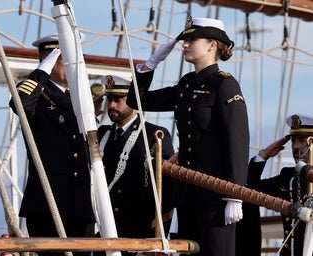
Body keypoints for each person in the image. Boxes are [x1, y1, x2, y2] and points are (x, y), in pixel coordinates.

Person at [126, 16, 250, 256]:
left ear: (212, 45)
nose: (184, 44)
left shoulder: (225, 86)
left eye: (192, 39)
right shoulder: (185, 84)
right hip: (187, 194)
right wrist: (150, 65)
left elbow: (237, 141)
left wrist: (235, 196)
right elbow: (137, 101)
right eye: (185, 40)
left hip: (217, 197)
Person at [9, 34, 95, 256]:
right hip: (49, 204)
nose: (76, 66)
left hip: (82, 205)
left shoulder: (79, 97)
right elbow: (19, 103)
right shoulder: (39, 94)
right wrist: (41, 72)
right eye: (66, 60)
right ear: (51, 61)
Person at [96, 75, 175, 255]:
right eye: (109, 99)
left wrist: (156, 235)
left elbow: (166, 192)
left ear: (132, 101)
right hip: (102, 231)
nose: (112, 106)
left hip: (137, 233)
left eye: (119, 100)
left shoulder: (155, 135)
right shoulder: (101, 135)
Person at [237, 114, 313, 256]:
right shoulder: (289, 178)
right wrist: (263, 155)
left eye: (302, 140)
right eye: (293, 141)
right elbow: (248, 189)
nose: (296, 146)